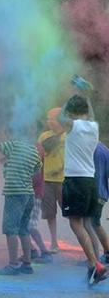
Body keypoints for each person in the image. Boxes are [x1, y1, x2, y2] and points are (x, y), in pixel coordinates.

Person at [59, 93, 106, 284]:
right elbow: (92, 115)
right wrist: (87, 96)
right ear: (86, 110)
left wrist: (66, 100)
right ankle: (92, 266)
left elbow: (61, 117)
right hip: (90, 181)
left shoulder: (73, 125)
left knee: (75, 223)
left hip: (75, 180)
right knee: (87, 223)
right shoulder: (94, 127)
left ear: (71, 112)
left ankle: (96, 265)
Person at [0, 133, 41, 275]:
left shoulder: (14, 145)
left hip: (15, 193)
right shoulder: (34, 151)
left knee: (11, 229)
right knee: (24, 229)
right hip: (29, 194)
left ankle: (13, 265)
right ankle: (27, 264)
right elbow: (37, 170)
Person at [38, 108, 66, 252]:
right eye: (48, 118)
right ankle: (54, 242)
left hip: (64, 180)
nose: (49, 121)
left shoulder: (67, 136)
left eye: (52, 118)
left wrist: (61, 169)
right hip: (47, 180)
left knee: (72, 213)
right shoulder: (44, 136)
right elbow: (38, 155)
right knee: (50, 213)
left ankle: (84, 238)